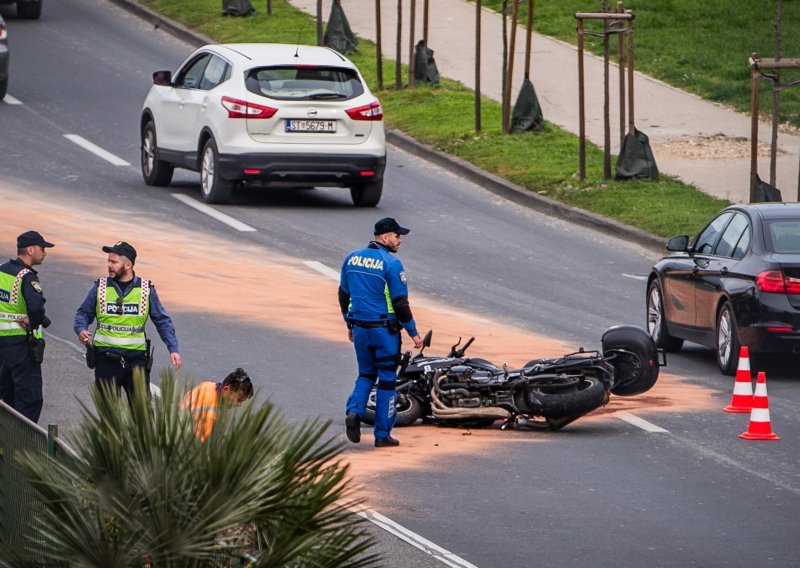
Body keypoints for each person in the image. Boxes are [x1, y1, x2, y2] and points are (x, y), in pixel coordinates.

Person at [339, 217, 422, 448]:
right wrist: (413, 333)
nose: (400, 240)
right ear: (385, 238)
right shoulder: (391, 264)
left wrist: (349, 324)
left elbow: (343, 295)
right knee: (387, 380)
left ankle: (354, 412)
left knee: (365, 375)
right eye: (397, 236)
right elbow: (400, 303)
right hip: (384, 332)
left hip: (360, 329)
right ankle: (382, 435)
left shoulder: (351, 258)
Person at [74, 241, 182, 400]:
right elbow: (83, 313)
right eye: (108, 261)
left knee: (141, 415)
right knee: (109, 416)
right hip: (105, 360)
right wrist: (81, 329)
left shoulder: (146, 289)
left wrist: (173, 348)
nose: (109, 265)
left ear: (128, 265)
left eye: (114, 262)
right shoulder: (100, 287)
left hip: (136, 362)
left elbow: (162, 321)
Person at [0, 231, 54, 423]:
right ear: (30, 250)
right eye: (42, 248)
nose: (44, 253)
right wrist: (33, 320)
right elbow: (36, 308)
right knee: (29, 399)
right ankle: (21, 447)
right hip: (20, 346)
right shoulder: (26, 277)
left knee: (7, 397)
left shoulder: (1, 270)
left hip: (2, 347)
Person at [182, 367, 254, 441]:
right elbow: (204, 446)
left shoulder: (209, 385)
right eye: (238, 400)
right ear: (226, 389)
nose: (239, 404)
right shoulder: (209, 413)